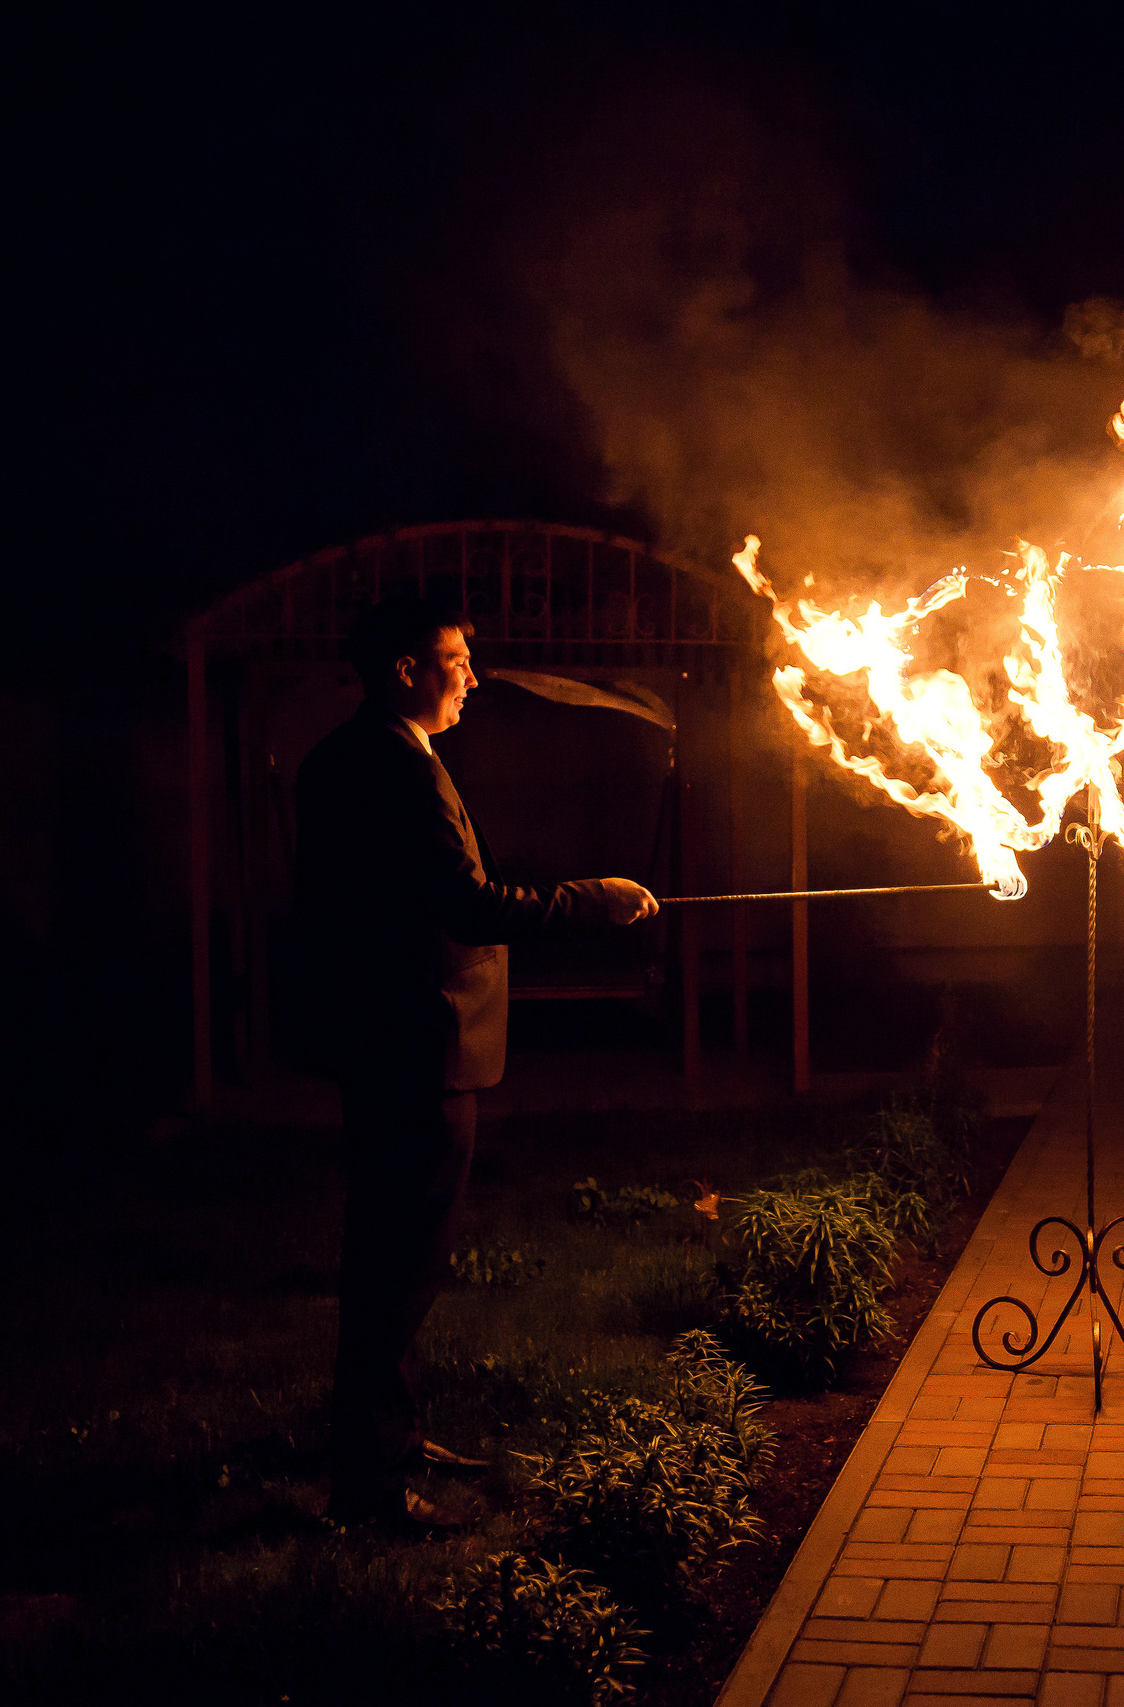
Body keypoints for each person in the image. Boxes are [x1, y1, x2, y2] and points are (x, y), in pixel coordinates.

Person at [296, 595, 658, 1528]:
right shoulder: (393, 767)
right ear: (407, 669)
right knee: (397, 1264)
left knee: (393, 1256)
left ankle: (390, 1438)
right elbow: (466, 904)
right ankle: (369, 1487)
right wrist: (593, 900)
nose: (475, 675)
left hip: (388, 1040)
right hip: (414, 1044)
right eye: (458, 658)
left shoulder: (353, 756)